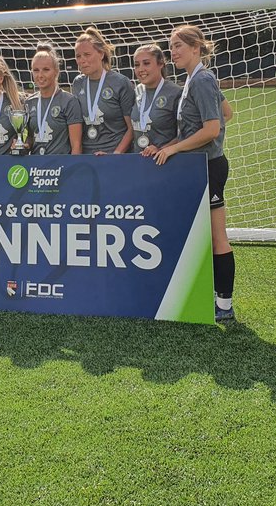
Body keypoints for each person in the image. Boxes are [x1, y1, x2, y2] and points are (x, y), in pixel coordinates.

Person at [154, 24, 236, 323]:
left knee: (217, 237)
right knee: (200, 236)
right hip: (196, 167)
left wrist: (175, 149)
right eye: (171, 46)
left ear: (196, 48)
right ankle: (207, 297)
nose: (172, 51)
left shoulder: (201, 79)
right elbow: (226, 113)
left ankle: (225, 305)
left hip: (209, 167)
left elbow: (213, 128)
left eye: (178, 45)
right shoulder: (195, 79)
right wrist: (171, 144)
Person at [71, 27, 136, 155]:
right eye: (78, 56)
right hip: (87, 158)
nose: (82, 60)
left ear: (101, 54)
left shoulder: (120, 82)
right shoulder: (78, 83)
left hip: (115, 156)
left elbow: (132, 128)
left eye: (87, 54)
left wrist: (115, 155)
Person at [27, 44, 82, 155]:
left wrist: (72, 170)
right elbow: (30, 139)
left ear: (56, 71)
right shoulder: (29, 102)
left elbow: (77, 146)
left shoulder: (69, 101)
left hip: (60, 168)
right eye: (36, 70)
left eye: (46, 70)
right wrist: (24, 145)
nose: (40, 75)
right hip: (36, 169)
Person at [130, 43, 179, 157]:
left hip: (166, 162)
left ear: (160, 63)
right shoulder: (137, 91)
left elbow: (187, 134)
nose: (141, 69)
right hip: (139, 162)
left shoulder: (175, 93)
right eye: (137, 65)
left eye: (146, 63)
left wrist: (162, 149)